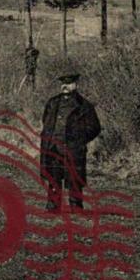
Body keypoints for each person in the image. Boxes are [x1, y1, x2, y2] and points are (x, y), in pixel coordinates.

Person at [39, 73, 101, 211]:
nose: (65, 86)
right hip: (53, 146)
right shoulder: (52, 102)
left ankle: (76, 207)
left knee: (74, 178)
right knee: (53, 178)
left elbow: (95, 128)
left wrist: (79, 139)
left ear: (75, 85)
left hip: (73, 149)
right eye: (62, 83)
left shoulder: (84, 105)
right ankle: (53, 207)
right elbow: (46, 121)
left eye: (68, 83)